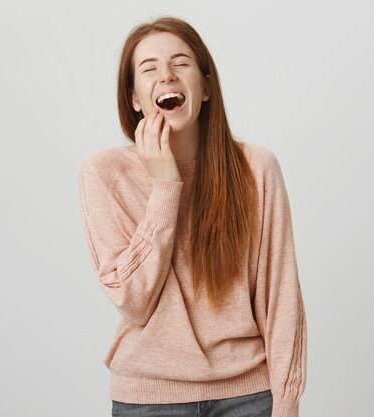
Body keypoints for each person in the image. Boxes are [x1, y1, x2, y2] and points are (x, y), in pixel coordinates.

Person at [77, 16, 307, 417]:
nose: (166, 75)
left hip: (249, 397)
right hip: (148, 400)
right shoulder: (103, 173)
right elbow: (133, 301)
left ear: (204, 88)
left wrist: (287, 404)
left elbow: (280, 297)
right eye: (149, 69)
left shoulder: (256, 168)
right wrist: (166, 186)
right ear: (134, 98)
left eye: (180, 63)